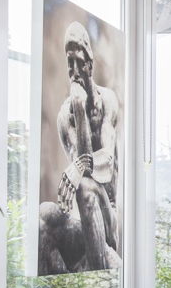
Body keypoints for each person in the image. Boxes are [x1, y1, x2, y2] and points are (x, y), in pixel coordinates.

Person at [39, 21, 120, 275]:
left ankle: (97, 277)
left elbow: (105, 164)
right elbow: (79, 163)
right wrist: (78, 109)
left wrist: (82, 163)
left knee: (85, 187)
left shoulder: (107, 100)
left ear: (89, 64)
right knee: (43, 215)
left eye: (79, 62)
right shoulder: (65, 116)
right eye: (69, 63)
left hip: (106, 216)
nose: (74, 70)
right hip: (82, 221)